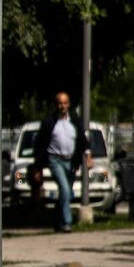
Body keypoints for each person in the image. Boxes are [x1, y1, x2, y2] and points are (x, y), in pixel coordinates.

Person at [32, 91, 92, 233]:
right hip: (55, 160)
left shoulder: (75, 121)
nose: (62, 106)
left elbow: (83, 141)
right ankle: (67, 222)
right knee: (65, 189)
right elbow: (40, 145)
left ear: (69, 104)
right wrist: (37, 167)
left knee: (67, 193)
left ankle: (57, 221)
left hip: (71, 161)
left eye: (65, 103)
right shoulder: (49, 122)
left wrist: (88, 156)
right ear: (56, 105)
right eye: (60, 103)